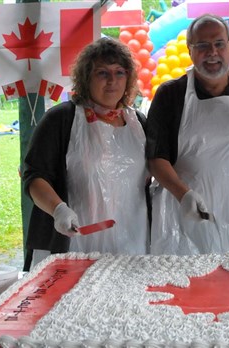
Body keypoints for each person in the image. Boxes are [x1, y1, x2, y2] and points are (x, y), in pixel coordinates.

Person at [145, 14, 229, 255]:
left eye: (219, 44)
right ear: (190, 50)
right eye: (202, 45)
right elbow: (157, 160)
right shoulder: (170, 96)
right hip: (183, 216)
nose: (212, 52)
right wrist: (184, 195)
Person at [22, 38, 150, 270]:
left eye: (119, 72)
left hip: (133, 241)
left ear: (129, 78)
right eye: (102, 73)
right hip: (74, 243)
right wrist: (58, 209)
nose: (112, 81)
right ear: (86, 78)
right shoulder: (60, 120)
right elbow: (34, 176)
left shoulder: (138, 122)